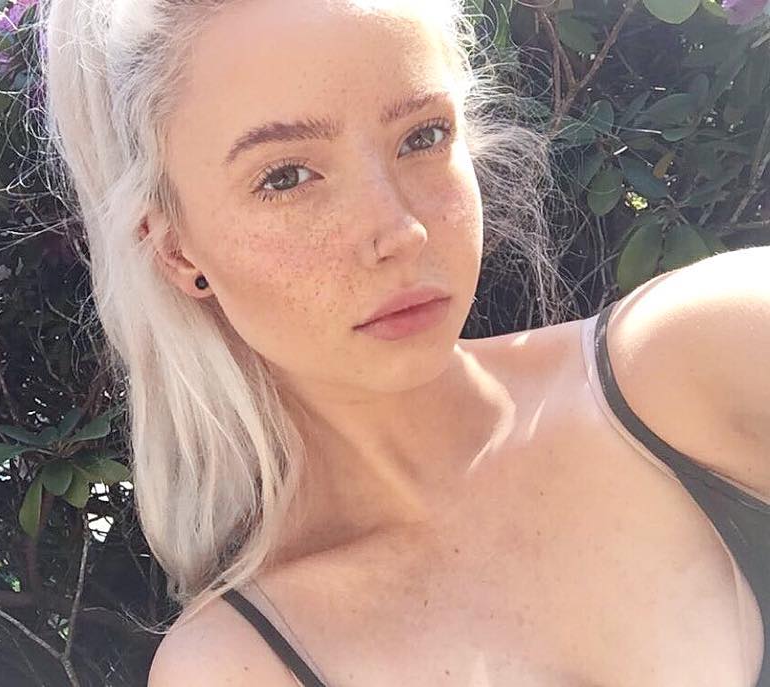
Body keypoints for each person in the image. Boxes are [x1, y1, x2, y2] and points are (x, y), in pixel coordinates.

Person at [39, 0, 770, 684]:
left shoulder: (707, 354)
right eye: (286, 177)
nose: (400, 230)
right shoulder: (241, 666)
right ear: (175, 249)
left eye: (423, 136)